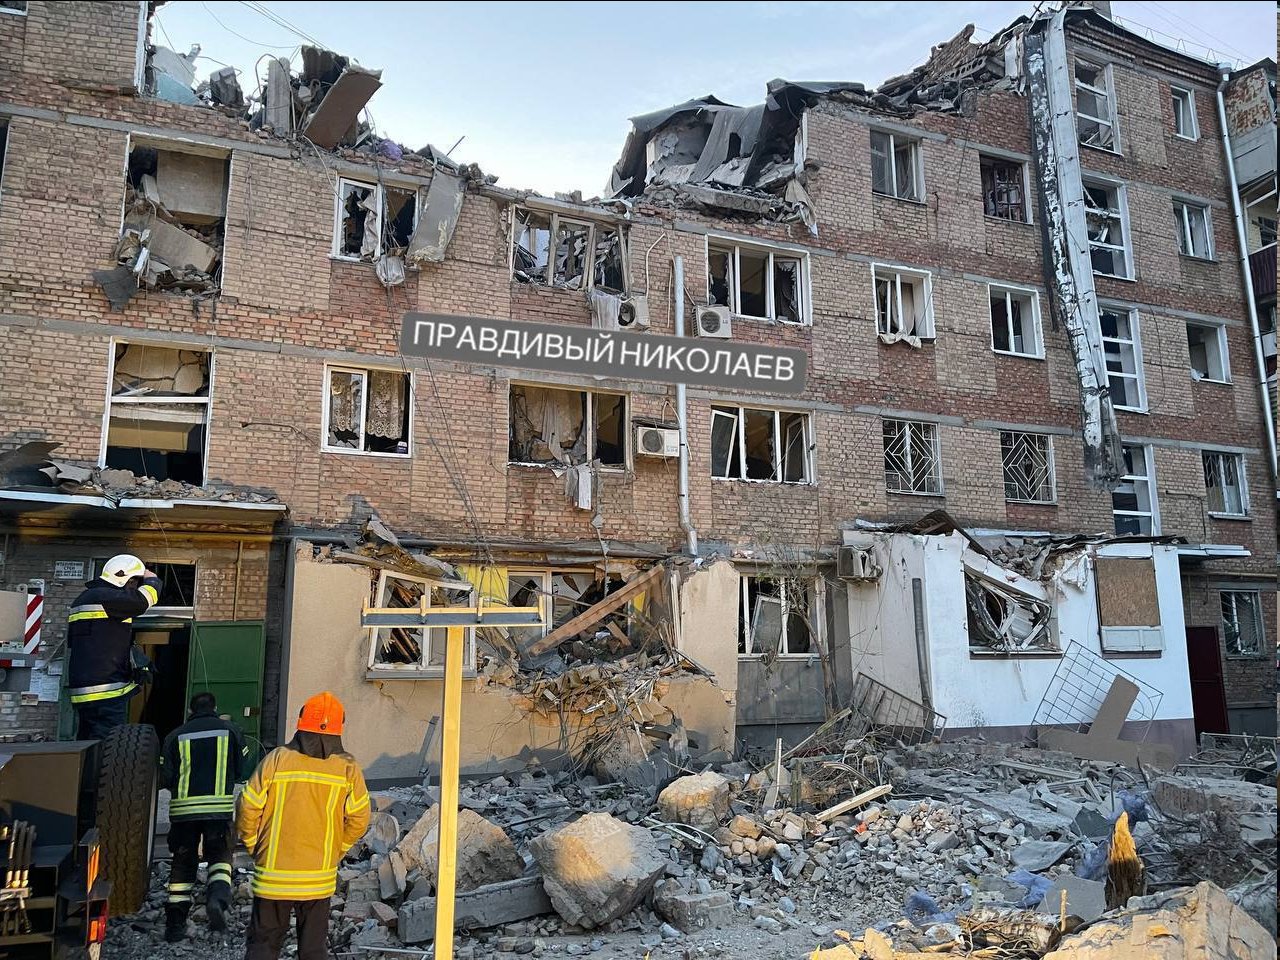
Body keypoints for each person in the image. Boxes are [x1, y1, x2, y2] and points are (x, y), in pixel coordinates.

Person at [236, 691, 369, 960]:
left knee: (263, 946)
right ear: (338, 729)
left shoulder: (277, 759)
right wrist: (337, 849)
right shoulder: (347, 768)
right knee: (313, 949)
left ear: (301, 724)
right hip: (318, 877)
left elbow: (248, 807)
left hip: (273, 874)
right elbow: (359, 819)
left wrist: (253, 845)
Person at [159, 692, 248, 942]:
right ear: (215, 708)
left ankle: (175, 926)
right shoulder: (231, 731)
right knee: (220, 857)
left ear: (190, 711)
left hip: (184, 812)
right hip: (218, 810)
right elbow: (241, 768)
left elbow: (166, 776)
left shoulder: (174, 736)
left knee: (182, 864)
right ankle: (217, 898)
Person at [67, 554, 162, 739]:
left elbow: (100, 641)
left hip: (85, 690)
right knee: (109, 745)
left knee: (87, 745)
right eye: (135, 582)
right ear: (125, 578)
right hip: (105, 690)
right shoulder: (106, 597)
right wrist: (152, 580)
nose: (134, 588)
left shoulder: (84, 598)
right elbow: (142, 602)